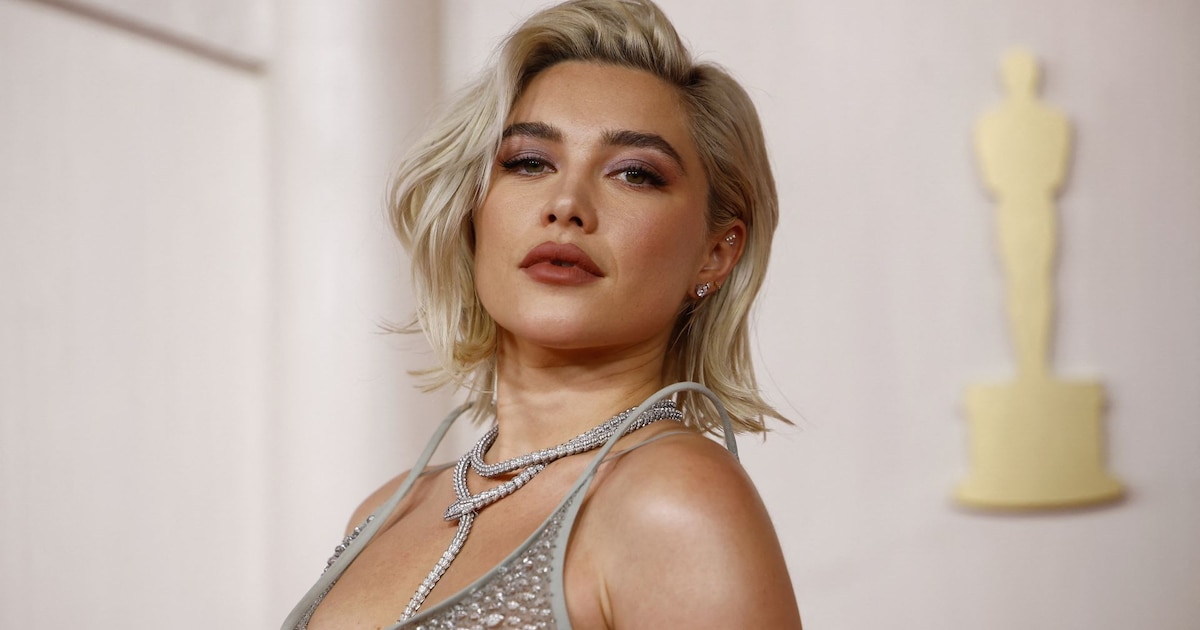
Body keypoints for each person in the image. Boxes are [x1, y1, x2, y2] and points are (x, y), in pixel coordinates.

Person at [282, 1, 802, 628]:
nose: (566, 204)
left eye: (635, 174)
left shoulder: (676, 500)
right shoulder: (387, 510)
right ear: (473, 208)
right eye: (529, 162)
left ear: (715, 253)